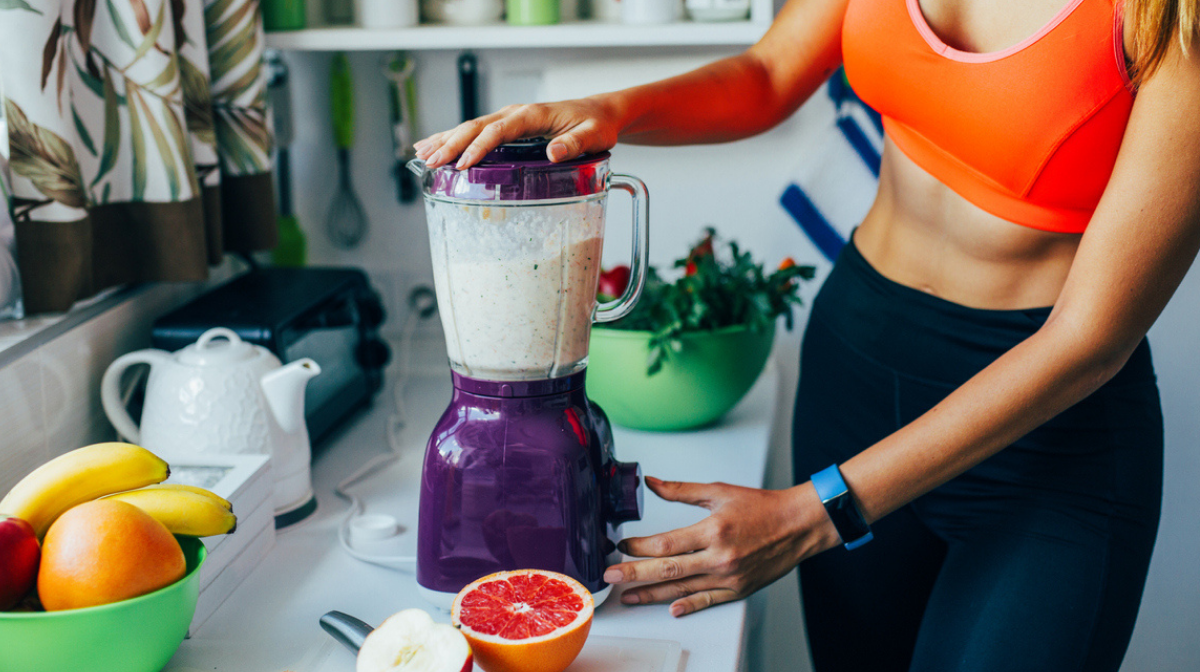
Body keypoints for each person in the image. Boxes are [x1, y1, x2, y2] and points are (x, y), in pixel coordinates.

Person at [415, 0, 1200, 669]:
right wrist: (612, 112)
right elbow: (768, 74)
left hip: (1045, 442)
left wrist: (816, 511)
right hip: (856, 368)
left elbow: (1092, 336)